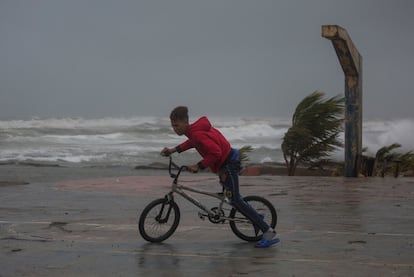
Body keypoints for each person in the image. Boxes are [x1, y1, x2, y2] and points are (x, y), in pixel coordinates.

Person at [160, 106, 279, 248]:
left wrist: (199, 166)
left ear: (185, 121)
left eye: (176, 125)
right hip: (224, 163)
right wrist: (173, 150)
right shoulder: (194, 132)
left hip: (228, 164)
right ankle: (256, 217)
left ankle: (268, 232)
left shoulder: (196, 133)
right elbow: (192, 143)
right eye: (173, 126)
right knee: (232, 198)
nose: (175, 129)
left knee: (235, 200)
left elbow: (215, 152)